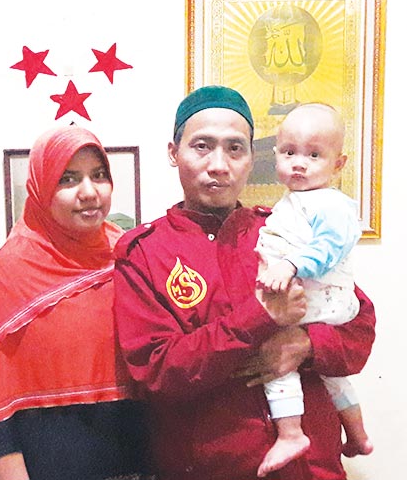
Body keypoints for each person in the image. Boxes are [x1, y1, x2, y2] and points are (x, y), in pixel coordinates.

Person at [113, 85, 376, 480]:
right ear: (173, 152)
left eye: (235, 149)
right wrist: (259, 318)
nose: (219, 165)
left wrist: (305, 345)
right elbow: (157, 371)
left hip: (312, 468)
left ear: (252, 158)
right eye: (202, 146)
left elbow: (359, 327)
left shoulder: (284, 230)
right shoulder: (145, 253)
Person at [0, 126, 152, 480]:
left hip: (131, 462)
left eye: (99, 175)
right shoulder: (10, 273)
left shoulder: (129, 257)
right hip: (45, 464)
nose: (89, 192)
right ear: (41, 187)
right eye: (68, 179)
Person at [255, 103, 372, 477]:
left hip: (318, 302)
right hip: (324, 303)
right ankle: (358, 436)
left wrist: (290, 265)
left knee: (278, 360)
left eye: (314, 155)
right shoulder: (298, 201)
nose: (299, 164)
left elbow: (329, 247)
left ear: (339, 164)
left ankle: (290, 433)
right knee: (334, 378)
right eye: (289, 153)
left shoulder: (331, 203)